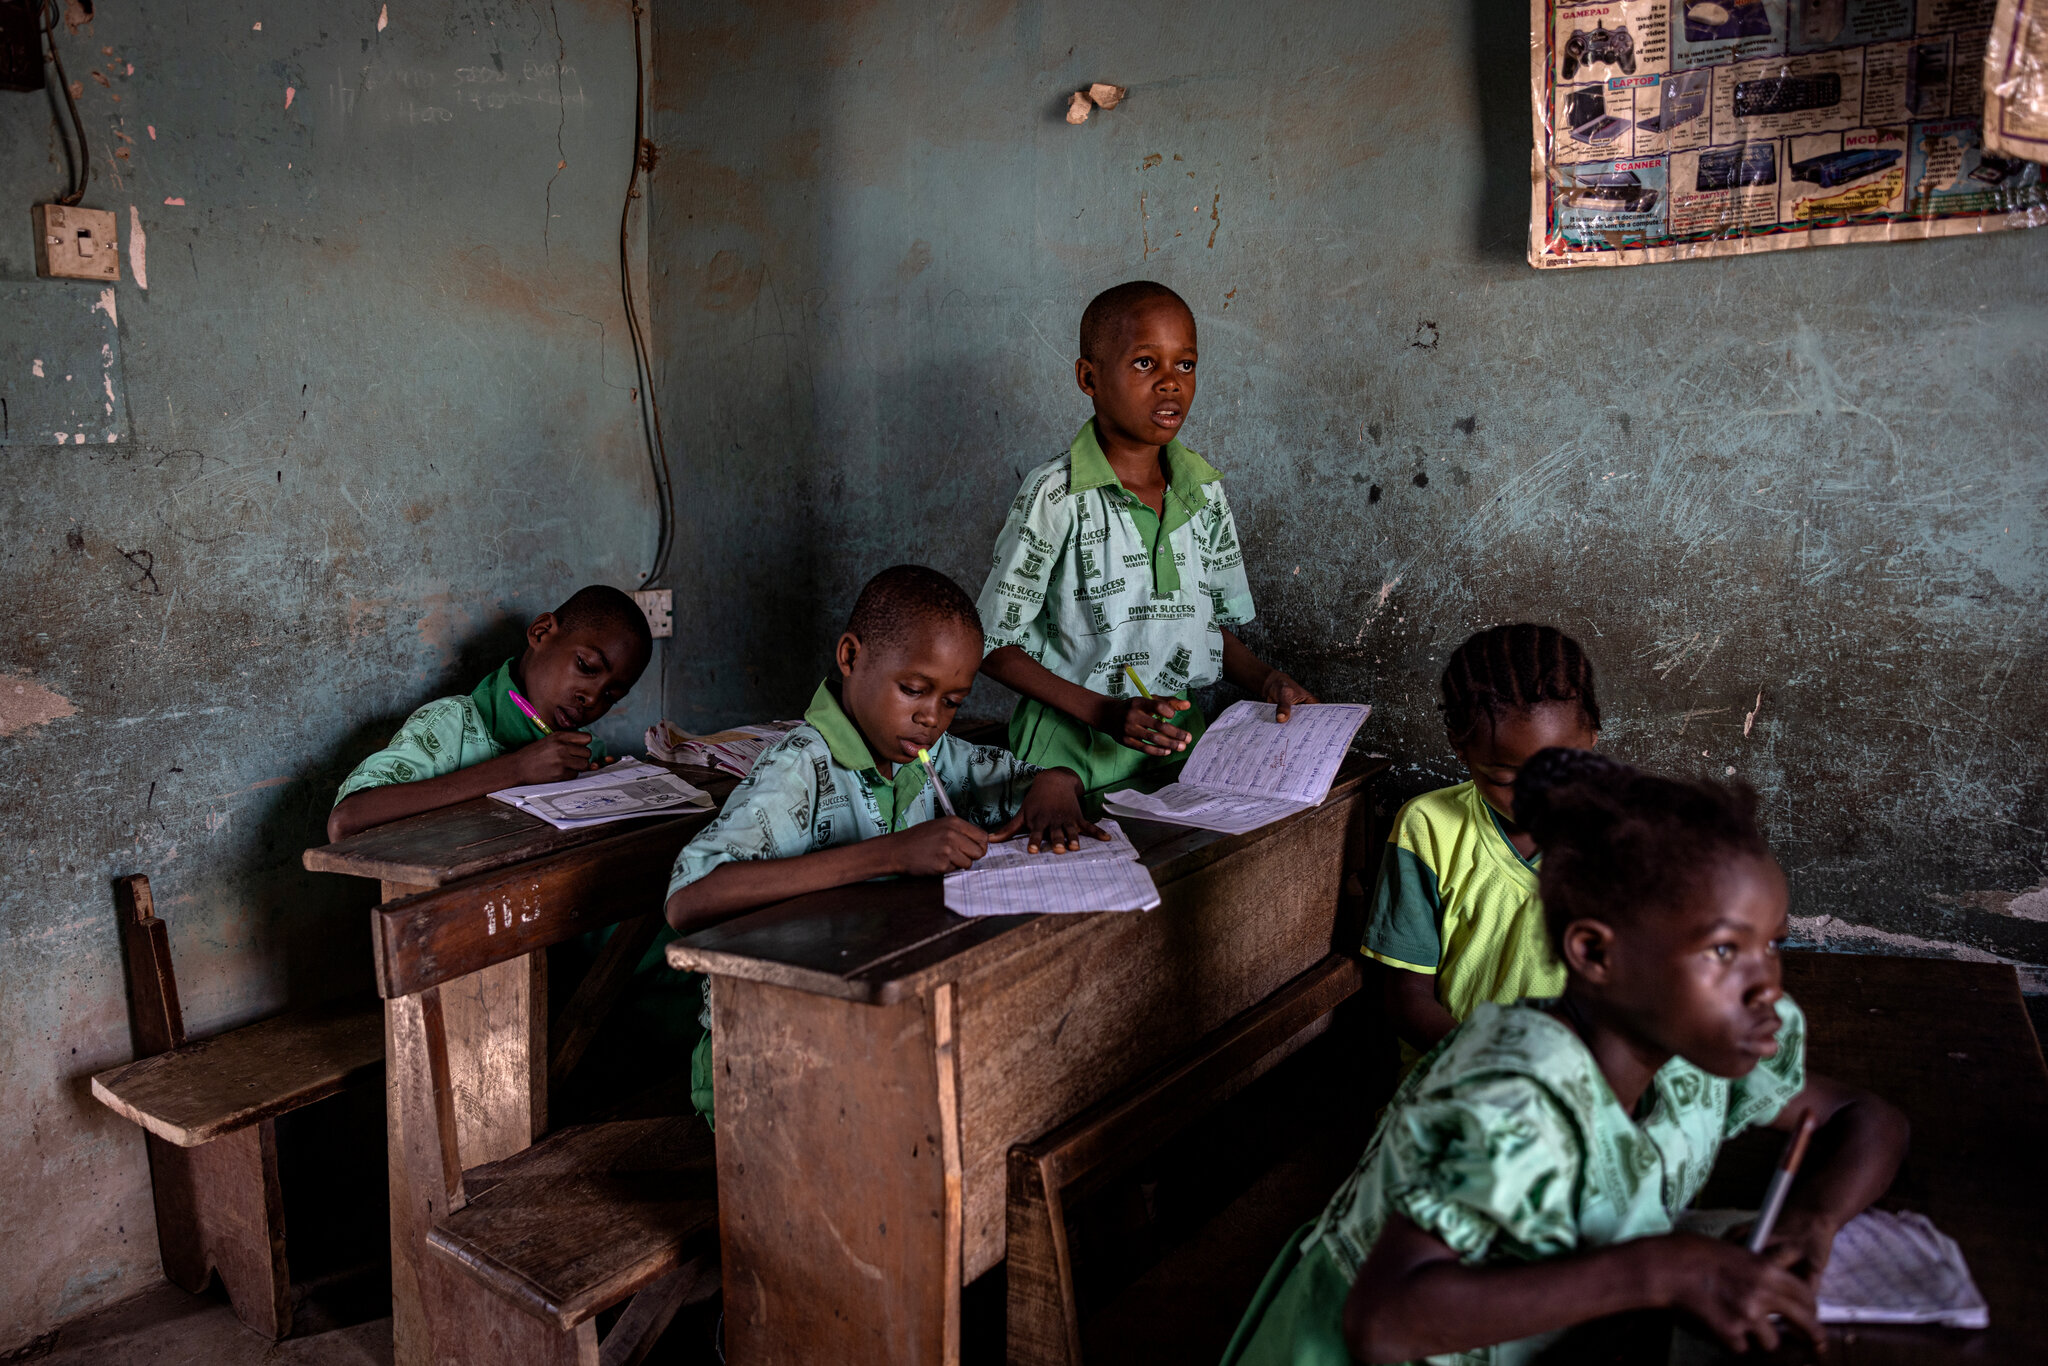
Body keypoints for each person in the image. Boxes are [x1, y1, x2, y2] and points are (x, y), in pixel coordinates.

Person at [1222, 749, 1910, 1366]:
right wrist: (1662, 1271)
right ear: (1595, 953)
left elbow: (1870, 1118)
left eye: (1772, 945)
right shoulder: (1515, 1094)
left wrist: (1812, 1220)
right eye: (1725, 950)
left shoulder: (1689, 1052)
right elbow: (1383, 1324)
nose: (1767, 986)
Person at [664, 565, 1102, 1123]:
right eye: (914, 690)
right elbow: (690, 900)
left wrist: (1058, 783)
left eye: (953, 702)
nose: (930, 718)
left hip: (871, 1035)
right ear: (851, 657)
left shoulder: (933, 758)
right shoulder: (800, 767)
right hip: (762, 1060)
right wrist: (892, 853)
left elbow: (1035, 781)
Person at [975, 280, 1315, 794]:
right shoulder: (1056, 494)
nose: (1171, 383)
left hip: (1179, 749)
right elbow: (991, 644)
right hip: (1067, 761)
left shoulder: (1202, 492)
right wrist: (1104, 712)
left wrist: (1269, 680)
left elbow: (1201, 626)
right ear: (1089, 378)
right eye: (1144, 363)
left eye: (1185, 364)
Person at [1364, 624, 1600, 1078]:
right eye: (1506, 779)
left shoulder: (1631, 840)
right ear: (1461, 748)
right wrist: (1497, 1069)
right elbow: (1408, 1000)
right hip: (1458, 1076)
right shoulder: (1428, 828)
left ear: (1592, 736)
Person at [328, 584, 652, 841]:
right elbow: (346, 821)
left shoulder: (584, 751)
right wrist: (517, 769)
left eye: (611, 695)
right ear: (541, 633)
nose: (591, 698)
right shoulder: (449, 726)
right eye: (586, 666)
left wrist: (600, 787)